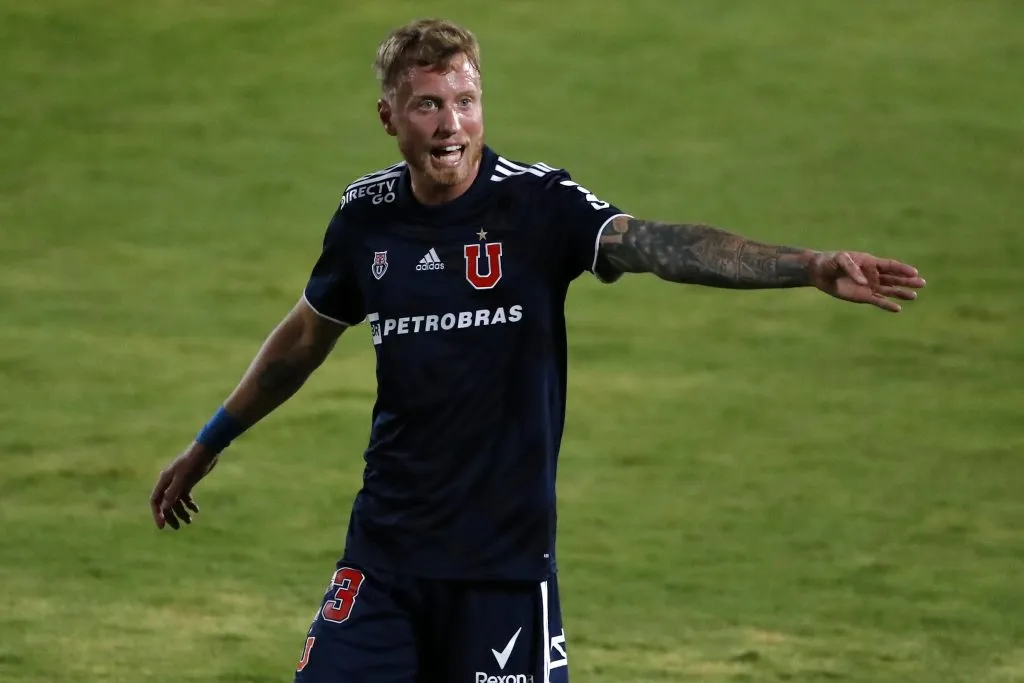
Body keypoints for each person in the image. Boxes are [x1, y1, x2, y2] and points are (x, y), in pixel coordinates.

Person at [149, 17, 926, 683]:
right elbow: (307, 336)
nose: (452, 123)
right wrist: (208, 442)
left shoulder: (536, 205)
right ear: (389, 117)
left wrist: (809, 266)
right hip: (383, 558)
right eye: (428, 105)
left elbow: (658, 245)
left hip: (504, 572)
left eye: (466, 100)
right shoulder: (366, 219)